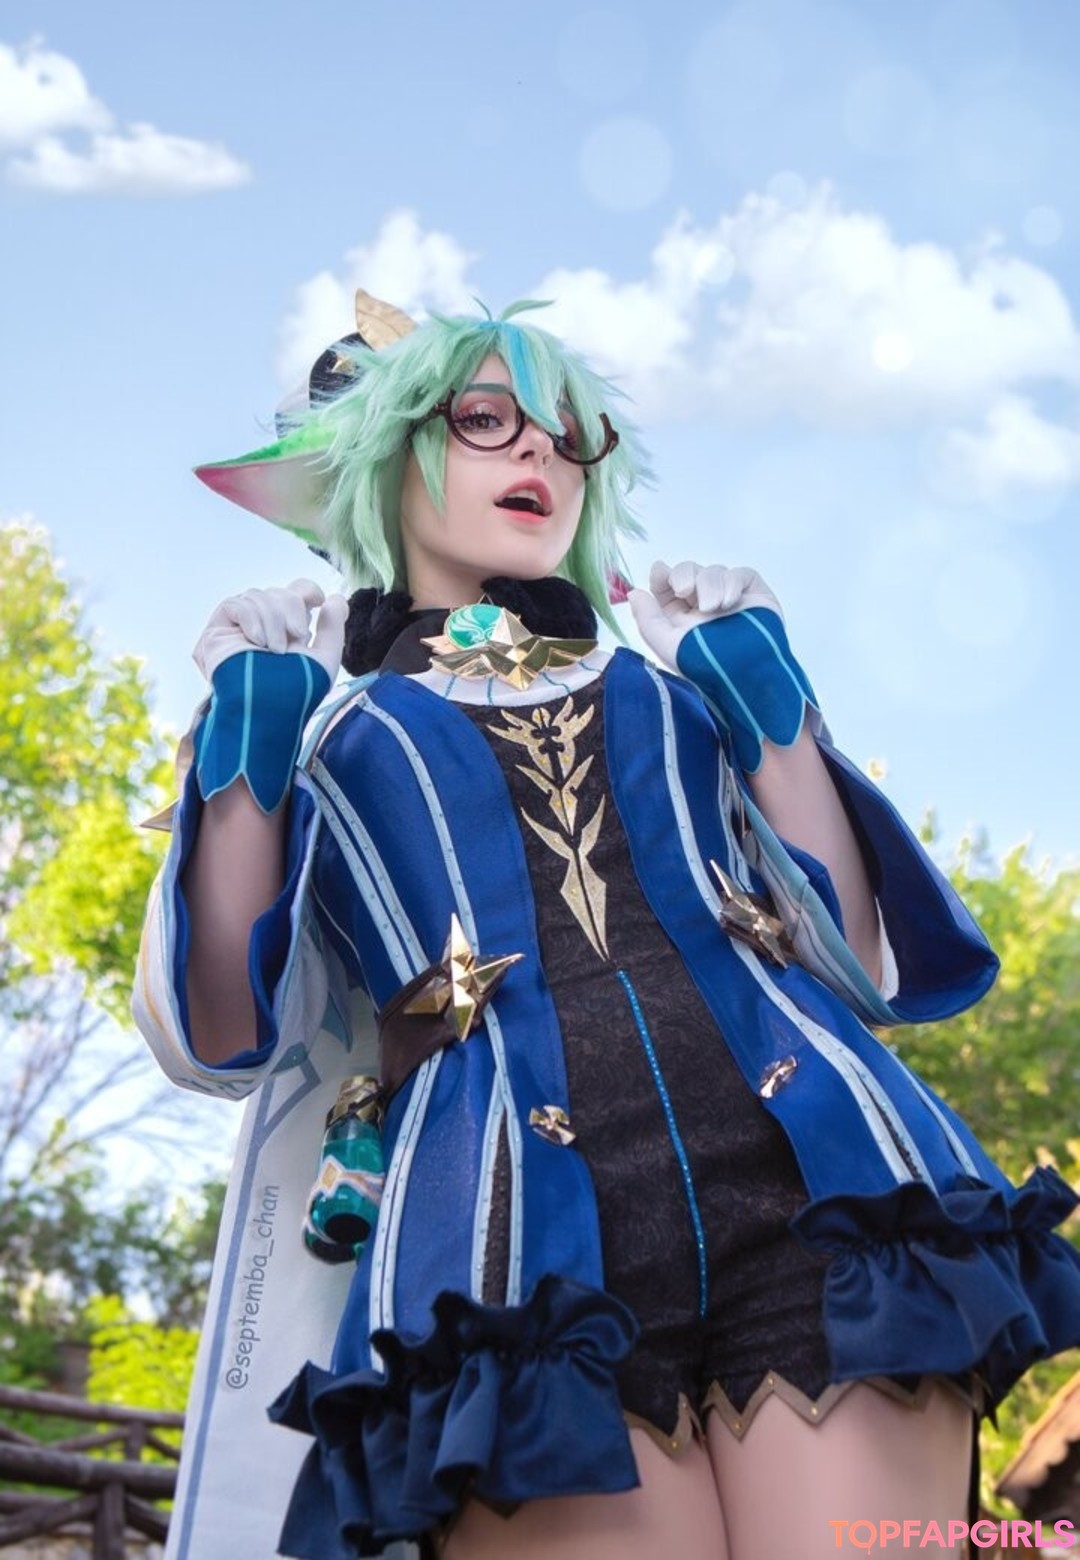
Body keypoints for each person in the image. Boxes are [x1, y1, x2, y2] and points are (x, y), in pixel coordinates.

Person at [135, 296, 1080, 1560]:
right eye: (487, 419)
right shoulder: (333, 731)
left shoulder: (672, 688)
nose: (541, 449)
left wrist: (767, 697)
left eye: (569, 432)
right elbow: (221, 1032)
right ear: (382, 457)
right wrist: (248, 743)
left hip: (818, 1194)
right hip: (509, 1253)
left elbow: (854, 957)